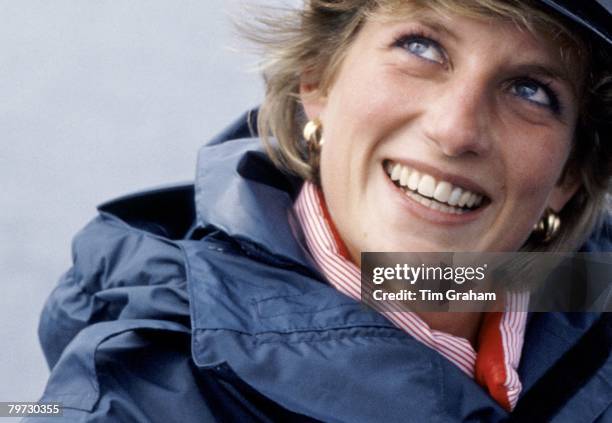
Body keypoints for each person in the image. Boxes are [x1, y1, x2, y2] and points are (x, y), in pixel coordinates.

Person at [30, 0, 611, 421]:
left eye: (532, 90)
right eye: (421, 46)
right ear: (318, 77)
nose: (456, 130)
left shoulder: (592, 299)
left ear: (571, 173)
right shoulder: (135, 404)